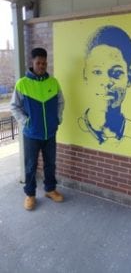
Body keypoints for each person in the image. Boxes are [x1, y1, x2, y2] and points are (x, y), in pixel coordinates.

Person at [10, 47, 65, 210]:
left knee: (50, 163)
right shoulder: (22, 84)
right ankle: (30, 194)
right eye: (38, 63)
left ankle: (50, 189)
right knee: (30, 165)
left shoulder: (53, 82)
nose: (41, 66)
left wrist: (58, 118)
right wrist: (26, 121)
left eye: (44, 63)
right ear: (32, 63)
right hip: (31, 134)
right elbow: (14, 107)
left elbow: (61, 102)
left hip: (50, 133)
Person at [78, 25, 131, 144]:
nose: (106, 82)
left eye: (116, 73)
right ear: (85, 76)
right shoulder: (79, 128)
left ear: (129, 78)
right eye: (97, 72)